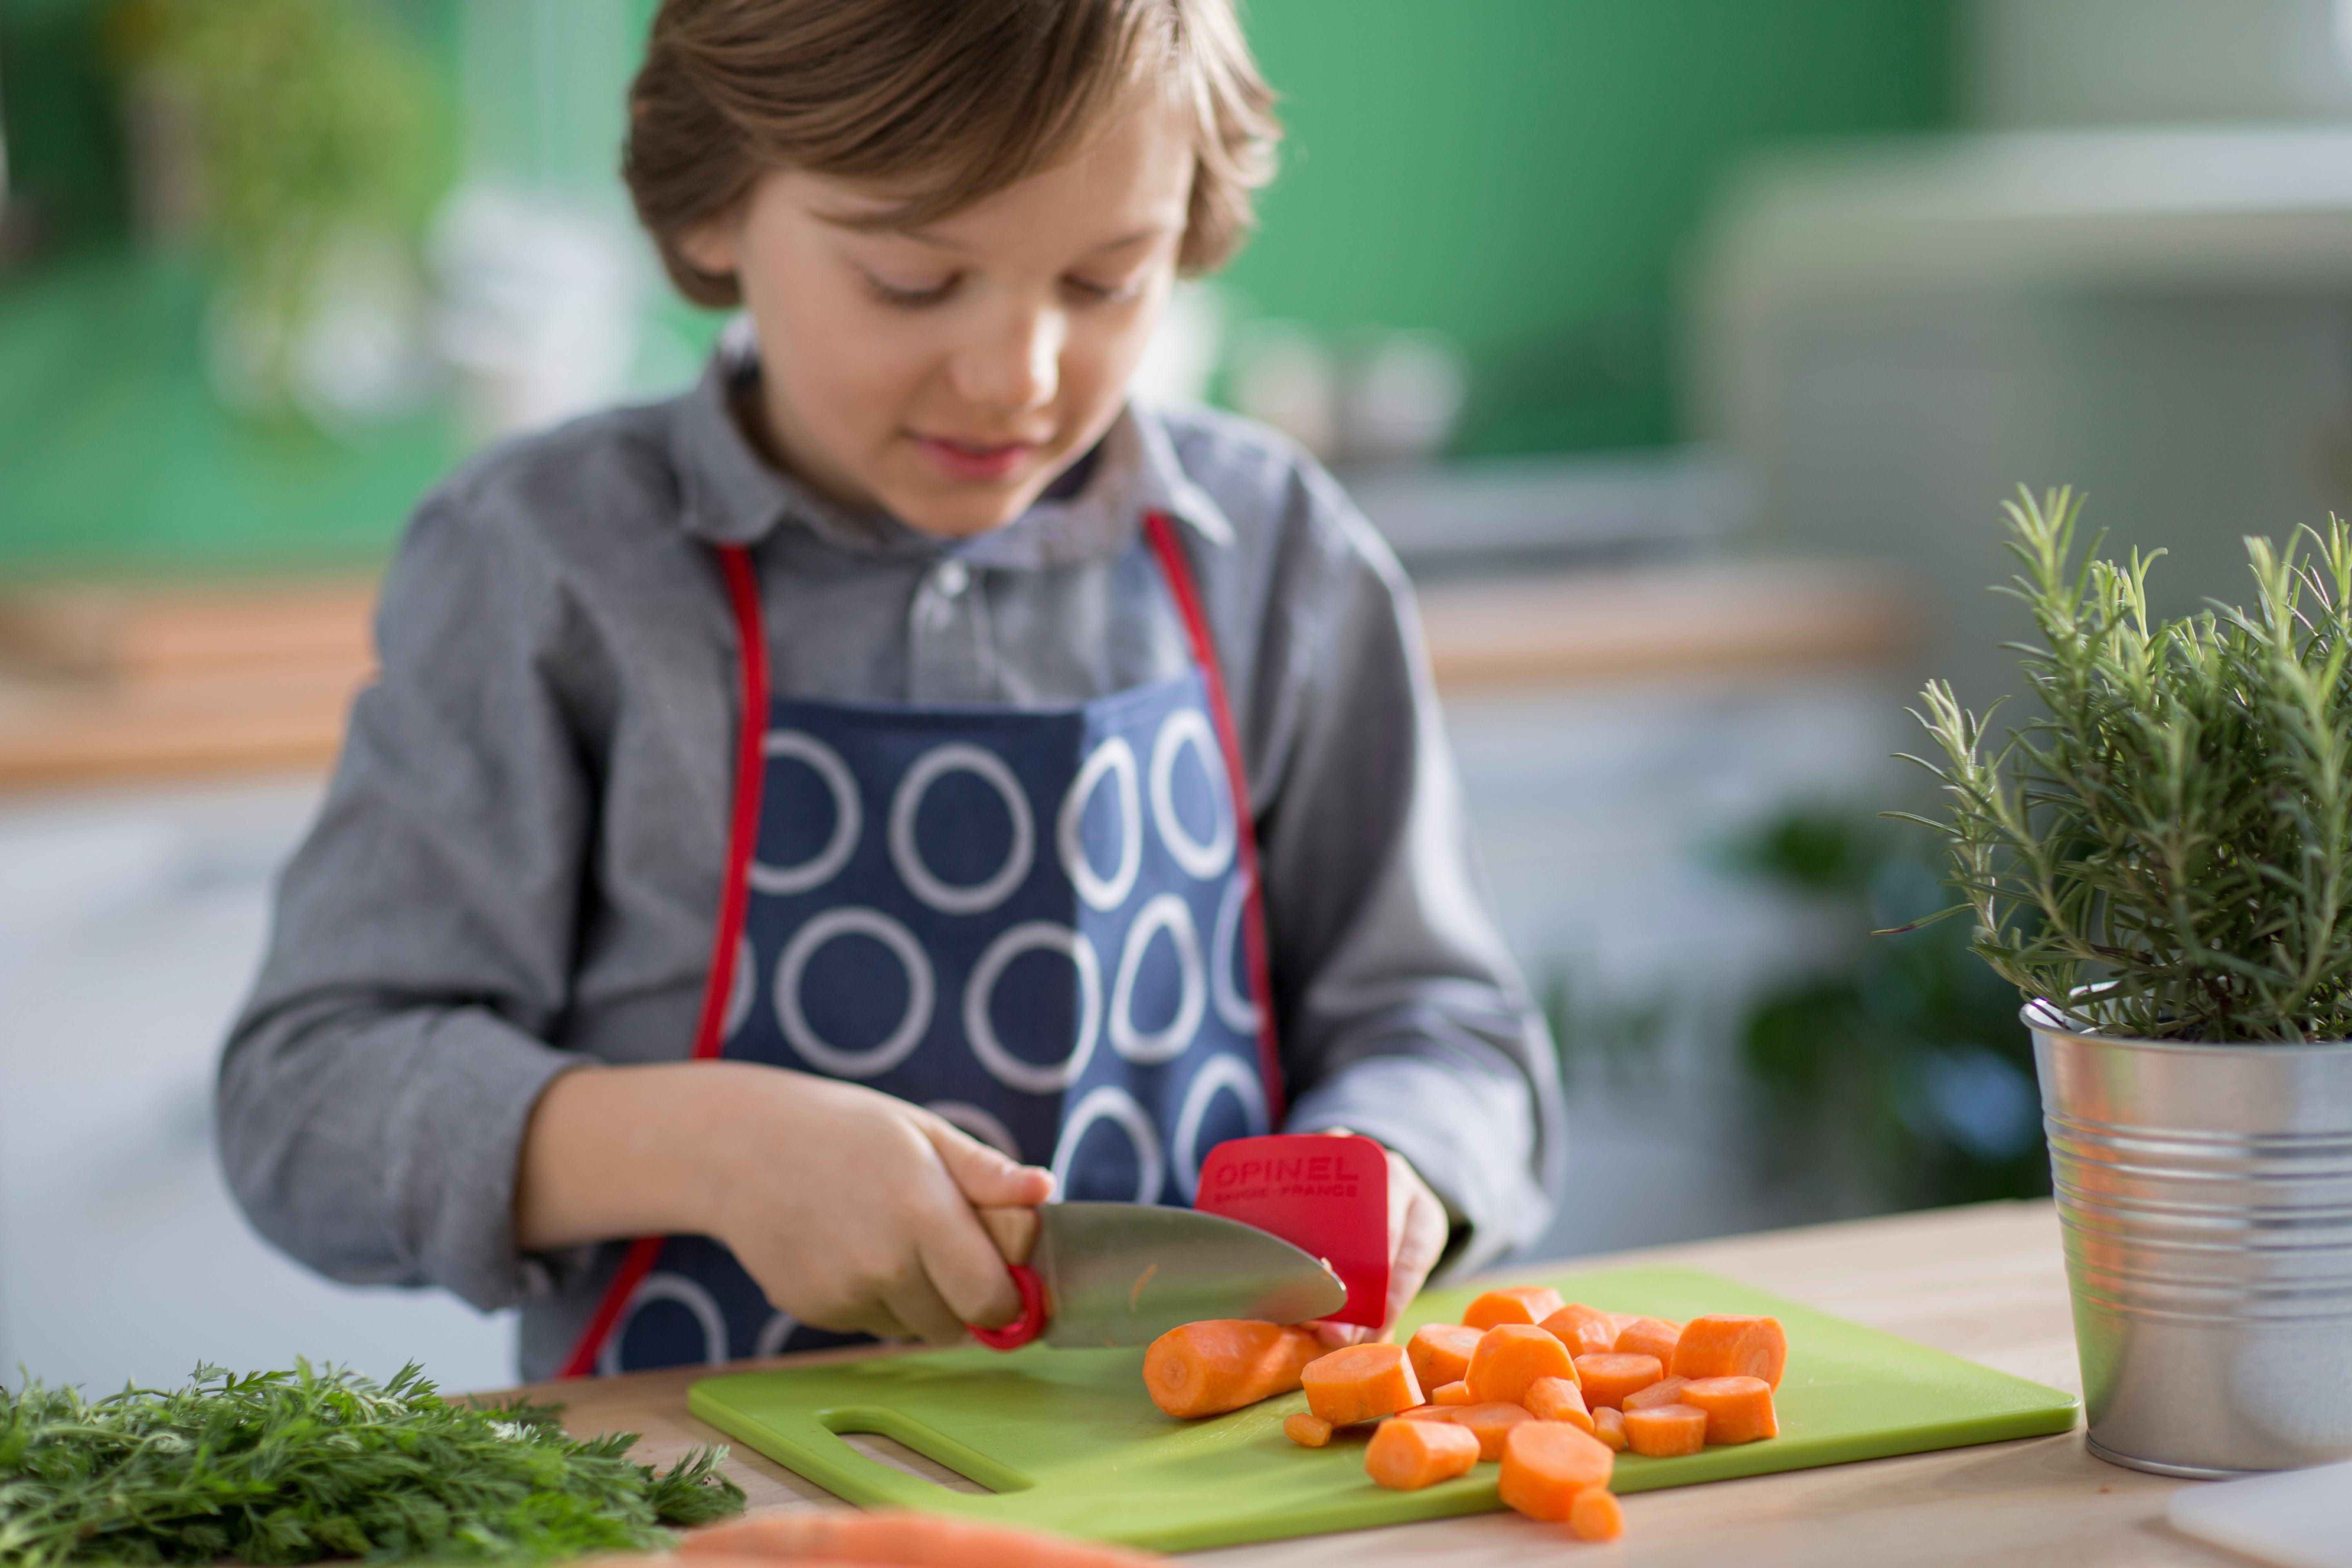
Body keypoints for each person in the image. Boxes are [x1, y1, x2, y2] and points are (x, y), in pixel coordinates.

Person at [219, 0, 1563, 1381]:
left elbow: (1450, 1033)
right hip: (694, 1499)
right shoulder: (545, 564)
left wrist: (1396, 1168)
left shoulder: (1280, 557)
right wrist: (712, 1148)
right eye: (914, 283)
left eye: (1106, 282)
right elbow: (307, 1100)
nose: (1015, 377)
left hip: (1192, 1481)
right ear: (715, 213)